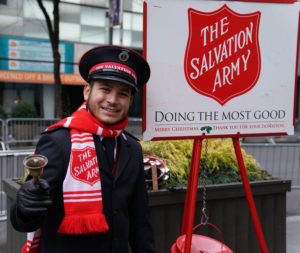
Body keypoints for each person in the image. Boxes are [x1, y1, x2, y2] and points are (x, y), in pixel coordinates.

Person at [10, 45, 156, 253]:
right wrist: (25, 206)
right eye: (105, 89)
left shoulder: (132, 147)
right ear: (87, 91)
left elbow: (140, 220)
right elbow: (23, 221)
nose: (113, 100)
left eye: (123, 94)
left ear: (130, 100)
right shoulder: (57, 141)